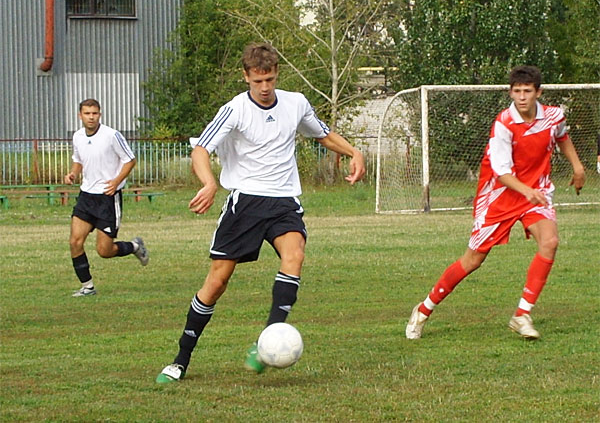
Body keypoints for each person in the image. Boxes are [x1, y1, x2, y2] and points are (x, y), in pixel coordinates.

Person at [156, 42, 365, 383]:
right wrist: (209, 183)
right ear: (246, 77)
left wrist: (354, 151)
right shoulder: (235, 109)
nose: (265, 88)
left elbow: (322, 134)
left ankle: (267, 341)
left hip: (283, 201)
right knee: (217, 281)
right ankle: (180, 360)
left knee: (294, 256)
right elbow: (200, 149)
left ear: (276, 74)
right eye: (258, 81)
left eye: (270, 79)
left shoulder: (296, 103)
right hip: (246, 204)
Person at [405, 66, 585, 340]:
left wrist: (578, 167)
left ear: (538, 92)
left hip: (534, 193)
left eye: (527, 91)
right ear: (510, 92)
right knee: (473, 260)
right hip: (500, 196)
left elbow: (562, 138)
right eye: (516, 92)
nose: (522, 97)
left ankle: (522, 314)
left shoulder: (553, 116)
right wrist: (527, 191)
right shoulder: (504, 123)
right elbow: (502, 174)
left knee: (549, 242)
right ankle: (424, 309)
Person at [64, 98, 149, 297]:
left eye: (95, 113)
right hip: (86, 197)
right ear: (80, 115)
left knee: (105, 250)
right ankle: (87, 286)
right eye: (87, 113)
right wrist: (73, 174)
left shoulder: (111, 135)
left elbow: (130, 160)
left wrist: (116, 180)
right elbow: (78, 160)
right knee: (75, 242)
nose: (91, 117)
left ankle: (135, 246)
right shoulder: (77, 137)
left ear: (100, 114)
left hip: (107, 199)